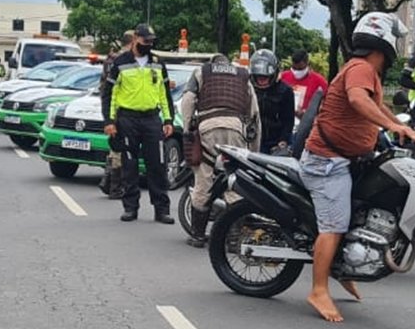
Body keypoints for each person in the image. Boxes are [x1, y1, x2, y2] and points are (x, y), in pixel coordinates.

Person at [299, 12, 415, 322]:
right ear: (385, 43)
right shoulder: (360, 68)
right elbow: (357, 101)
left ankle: (343, 267)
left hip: (346, 160)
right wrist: (392, 128)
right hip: (328, 162)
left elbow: (376, 105)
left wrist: (401, 127)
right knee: (335, 225)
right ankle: (318, 289)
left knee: (361, 214)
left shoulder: (369, 73)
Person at [178, 52, 259, 246]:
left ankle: (197, 235)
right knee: (234, 182)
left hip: (208, 127)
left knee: (203, 179)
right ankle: (232, 238)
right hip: (236, 129)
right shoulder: (243, 75)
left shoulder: (202, 72)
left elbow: (188, 100)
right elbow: (254, 111)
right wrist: (253, 149)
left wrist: (188, 128)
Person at [101, 23, 175, 223]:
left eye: (151, 42)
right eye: (145, 41)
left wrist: (168, 119)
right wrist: (109, 121)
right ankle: (130, 208)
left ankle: (162, 210)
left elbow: (164, 93)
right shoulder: (120, 63)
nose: (149, 45)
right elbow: (109, 94)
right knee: (129, 166)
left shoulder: (158, 63)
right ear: (135, 39)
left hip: (152, 119)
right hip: (127, 120)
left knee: (157, 165)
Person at [99, 30, 135, 200]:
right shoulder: (122, 60)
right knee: (119, 150)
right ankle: (114, 187)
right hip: (121, 108)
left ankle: (109, 183)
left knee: (115, 148)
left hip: (112, 108)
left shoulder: (110, 58)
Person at [250, 49, 295, 154]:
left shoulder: (285, 91)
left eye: (265, 77)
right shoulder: (247, 89)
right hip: (252, 139)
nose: (262, 81)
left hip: (275, 142)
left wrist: (283, 140)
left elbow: (288, 120)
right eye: (259, 77)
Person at [280, 49, 328, 118]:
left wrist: (308, 112)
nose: (296, 71)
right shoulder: (283, 77)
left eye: (300, 69)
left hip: (307, 123)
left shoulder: (320, 82)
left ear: (307, 63)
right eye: (294, 68)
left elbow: (327, 104)